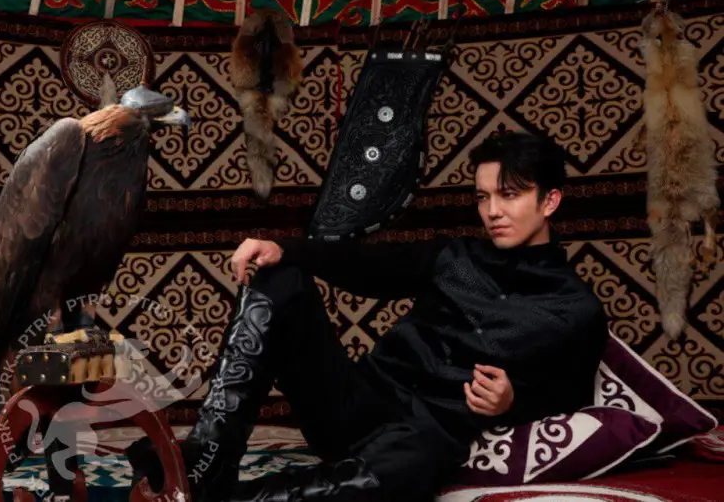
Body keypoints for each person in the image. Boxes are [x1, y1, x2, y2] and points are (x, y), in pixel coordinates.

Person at [126, 130, 609, 502]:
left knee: (420, 462)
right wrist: (285, 248)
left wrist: (512, 401)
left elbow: (572, 402)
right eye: (483, 197)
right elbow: (368, 266)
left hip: (416, 441)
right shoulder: (455, 256)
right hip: (354, 407)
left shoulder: (575, 311)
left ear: (550, 200)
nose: (493, 211)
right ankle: (206, 461)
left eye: (509, 195)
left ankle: (219, 499)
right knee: (280, 277)